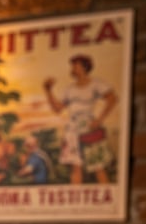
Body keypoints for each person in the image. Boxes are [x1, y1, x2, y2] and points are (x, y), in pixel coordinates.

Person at [43, 54, 118, 184]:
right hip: (72, 128)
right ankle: (74, 199)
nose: (73, 68)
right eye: (72, 66)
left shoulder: (96, 83)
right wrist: (48, 90)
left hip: (88, 126)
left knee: (98, 165)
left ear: (84, 67)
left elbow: (112, 99)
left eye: (76, 65)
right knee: (75, 166)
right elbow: (57, 108)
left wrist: (99, 120)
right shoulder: (70, 89)